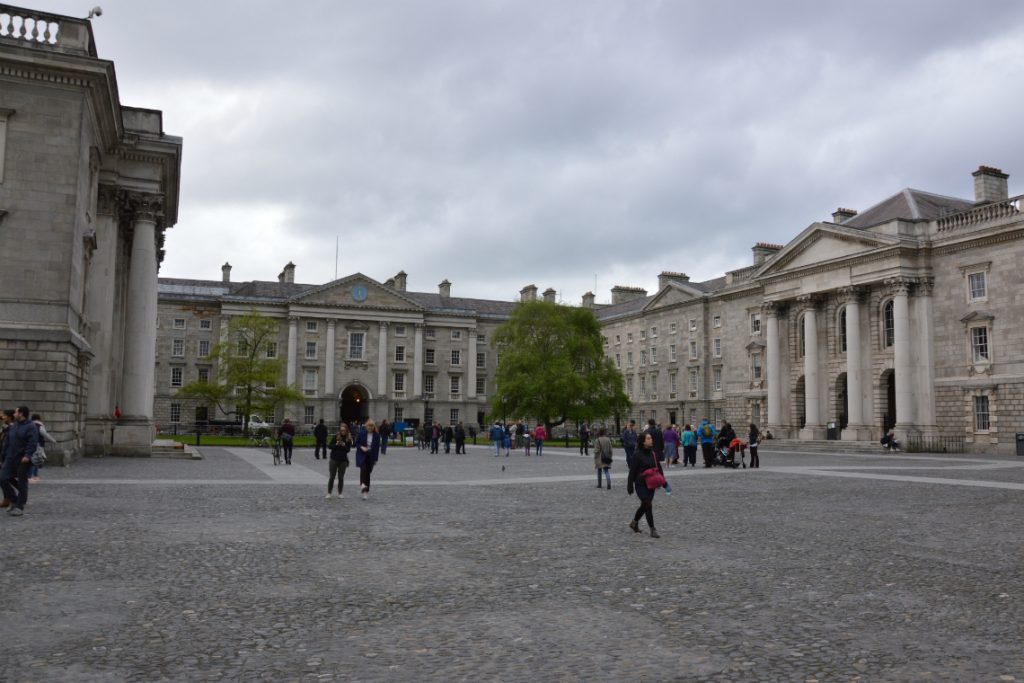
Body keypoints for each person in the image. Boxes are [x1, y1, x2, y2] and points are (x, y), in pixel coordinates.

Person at [1, 406, 39, 517]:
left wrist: (27, 455)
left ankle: (19, 506)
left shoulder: (31, 426)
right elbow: (7, 442)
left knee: (22, 483)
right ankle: (14, 499)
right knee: (2, 478)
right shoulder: (14, 426)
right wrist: (2, 457)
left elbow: (33, 442)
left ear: (21, 414)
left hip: (22, 459)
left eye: (16, 412)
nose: (14, 414)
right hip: (10, 457)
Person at [627, 433, 662, 538]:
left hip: (651, 484)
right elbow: (632, 471)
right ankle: (652, 529)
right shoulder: (637, 454)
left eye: (651, 438)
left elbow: (659, 468)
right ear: (643, 441)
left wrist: (664, 482)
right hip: (640, 484)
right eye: (648, 438)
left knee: (644, 506)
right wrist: (630, 485)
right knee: (647, 504)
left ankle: (634, 523)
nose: (651, 440)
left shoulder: (653, 454)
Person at [356, 419, 381, 500]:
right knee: (363, 469)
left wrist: (376, 459)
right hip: (362, 454)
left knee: (368, 473)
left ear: (374, 427)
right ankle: (362, 485)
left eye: (371, 426)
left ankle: (366, 492)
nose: (370, 427)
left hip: (371, 455)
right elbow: (357, 443)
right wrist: (362, 447)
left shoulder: (376, 435)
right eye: (368, 426)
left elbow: (377, 448)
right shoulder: (361, 433)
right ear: (366, 426)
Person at [326, 423, 352, 498]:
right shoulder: (336, 437)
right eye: (341, 430)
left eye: (344, 430)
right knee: (332, 477)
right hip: (334, 459)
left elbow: (348, 450)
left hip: (343, 460)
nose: (342, 431)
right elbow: (329, 446)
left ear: (346, 430)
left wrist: (344, 445)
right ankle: (329, 493)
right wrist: (336, 444)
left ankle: (340, 493)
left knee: (341, 477)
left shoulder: (348, 439)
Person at [30, 413, 56, 483]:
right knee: (36, 460)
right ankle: (33, 476)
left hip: (30, 445)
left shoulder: (29, 425)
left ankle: (34, 475)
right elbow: (45, 434)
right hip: (38, 445)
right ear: (39, 418)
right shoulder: (39, 426)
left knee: (33, 460)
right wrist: (53, 440)